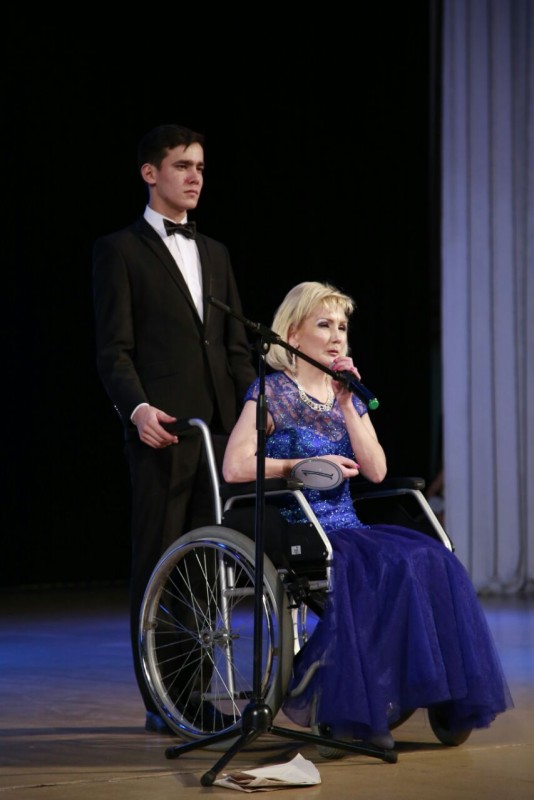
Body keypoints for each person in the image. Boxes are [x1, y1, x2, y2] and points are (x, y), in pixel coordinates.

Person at [222, 280, 513, 754]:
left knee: (434, 559)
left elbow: (376, 470)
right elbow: (235, 466)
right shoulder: (272, 392)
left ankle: (443, 694)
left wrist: (345, 403)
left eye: (342, 326)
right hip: (297, 522)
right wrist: (299, 466)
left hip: (347, 523)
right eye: (324, 324)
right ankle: (344, 697)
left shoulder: (348, 395)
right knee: (381, 566)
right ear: (292, 335)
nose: (337, 336)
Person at [92, 123, 256, 733]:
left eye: (201, 168)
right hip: (163, 432)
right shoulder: (119, 250)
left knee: (209, 568)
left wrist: (251, 412)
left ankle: (198, 693)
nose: (195, 177)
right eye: (183, 166)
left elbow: (234, 347)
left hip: (219, 436)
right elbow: (114, 351)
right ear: (150, 173)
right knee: (161, 565)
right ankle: (163, 699)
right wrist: (137, 410)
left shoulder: (216, 252)